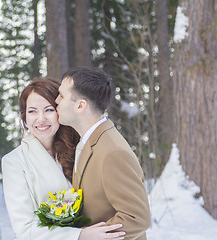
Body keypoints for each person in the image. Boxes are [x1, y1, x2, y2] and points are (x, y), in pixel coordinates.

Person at [2, 78, 126, 240]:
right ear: (24, 117)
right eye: (32, 111)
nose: (41, 119)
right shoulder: (14, 161)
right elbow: (25, 229)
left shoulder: (81, 147)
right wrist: (79, 235)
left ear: (60, 110)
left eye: (49, 110)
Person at [55, 67, 151, 240]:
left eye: (61, 96)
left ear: (80, 105)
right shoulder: (88, 141)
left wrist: (86, 236)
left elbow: (136, 217)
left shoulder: (112, 151)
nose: (56, 100)